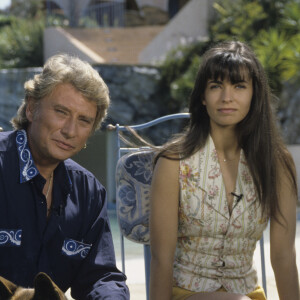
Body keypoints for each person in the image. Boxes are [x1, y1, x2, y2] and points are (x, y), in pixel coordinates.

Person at [149, 41, 300, 300]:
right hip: (186, 291)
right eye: (216, 86)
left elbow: (283, 256)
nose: (226, 97)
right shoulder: (173, 162)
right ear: (203, 97)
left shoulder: (277, 164)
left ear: (254, 95)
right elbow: (161, 259)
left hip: (248, 294)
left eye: (239, 86)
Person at [0, 54, 129, 299]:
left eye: (84, 121)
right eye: (61, 112)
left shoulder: (88, 192)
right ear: (31, 107)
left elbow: (99, 276)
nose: (70, 131)